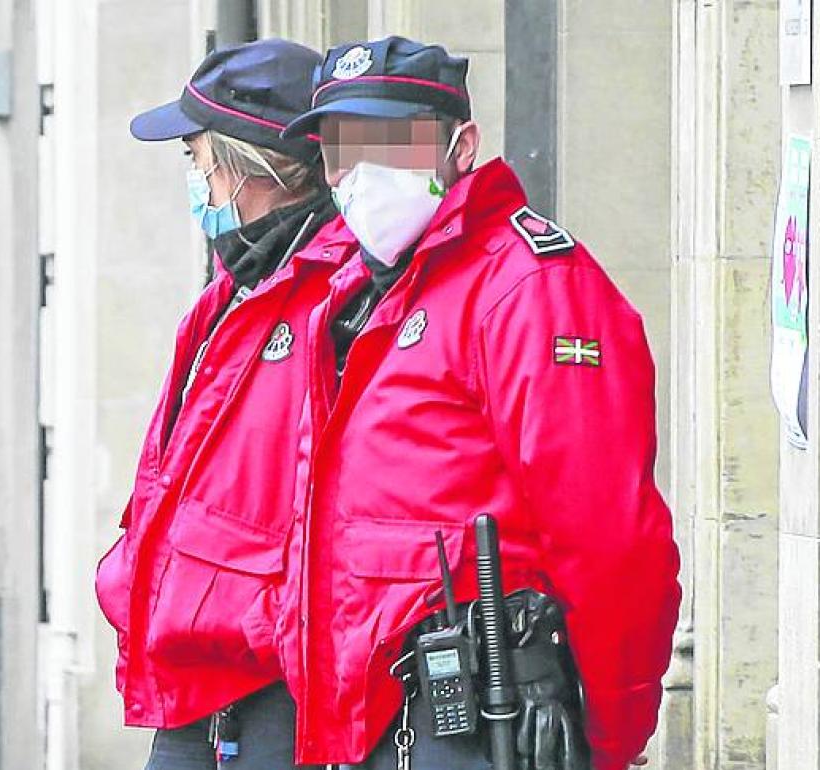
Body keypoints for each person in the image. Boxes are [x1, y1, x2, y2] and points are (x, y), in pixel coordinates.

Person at [273, 37, 682, 770]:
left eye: (390, 145)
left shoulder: (530, 288)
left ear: (463, 147)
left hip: (480, 720)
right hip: (372, 725)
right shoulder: (356, 297)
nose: (360, 173)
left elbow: (608, 539)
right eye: (340, 149)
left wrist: (614, 736)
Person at [94, 39, 356, 770]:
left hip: (266, 680)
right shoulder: (229, 293)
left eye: (196, 156)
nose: (194, 178)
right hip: (198, 670)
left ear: (248, 167)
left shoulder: (342, 299)